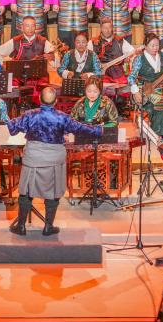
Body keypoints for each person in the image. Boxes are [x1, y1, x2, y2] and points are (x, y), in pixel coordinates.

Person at [6, 86, 101, 235]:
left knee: (26, 191)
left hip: (34, 157)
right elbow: (81, 128)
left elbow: (12, 128)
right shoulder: (63, 117)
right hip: (54, 159)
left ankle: (21, 226)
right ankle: (48, 226)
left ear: (39, 99)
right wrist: (99, 130)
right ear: (56, 101)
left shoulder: (30, 115)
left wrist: (5, 117)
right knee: (53, 191)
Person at [129, 33, 163, 137]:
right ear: (145, 46)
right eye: (152, 45)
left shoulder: (162, 56)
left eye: (157, 45)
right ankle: (161, 133)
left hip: (162, 87)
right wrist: (136, 92)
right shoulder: (139, 58)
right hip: (147, 88)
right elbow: (131, 77)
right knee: (161, 102)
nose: (155, 48)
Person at [88, 17, 136, 85]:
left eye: (109, 27)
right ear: (101, 28)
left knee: (124, 87)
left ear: (112, 28)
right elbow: (87, 57)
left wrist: (129, 57)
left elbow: (132, 51)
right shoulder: (93, 42)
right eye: (105, 28)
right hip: (100, 73)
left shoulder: (119, 40)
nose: (107, 30)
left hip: (117, 74)